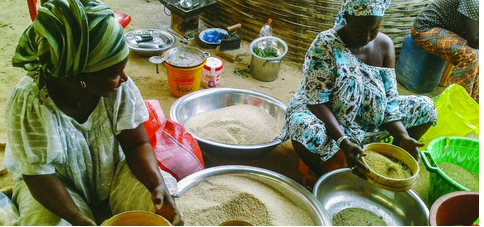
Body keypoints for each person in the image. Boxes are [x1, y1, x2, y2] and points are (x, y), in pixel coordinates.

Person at [3, 0, 183, 225]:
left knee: (168, 201)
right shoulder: (31, 101)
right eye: (115, 72)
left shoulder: (117, 87)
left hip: (113, 172)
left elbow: (136, 144)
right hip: (54, 186)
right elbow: (39, 176)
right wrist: (76, 217)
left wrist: (156, 185)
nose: (124, 79)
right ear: (79, 76)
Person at [279, 0, 438, 178]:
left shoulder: (385, 45)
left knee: (427, 107)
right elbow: (317, 102)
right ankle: (323, 176)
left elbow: (390, 101)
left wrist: (402, 136)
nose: (366, 37)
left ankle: (387, 162)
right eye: (360, 30)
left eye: (374, 30)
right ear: (347, 18)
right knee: (303, 127)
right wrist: (343, 141)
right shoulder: (326, 44)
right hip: (329, 120)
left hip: (368, 121)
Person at [411, 0, 479, 102]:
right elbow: (474, 40)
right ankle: (455, 104)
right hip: (426, 29)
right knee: (470, 55)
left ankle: (474, 102)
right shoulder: (475, 2)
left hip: (450, 30)